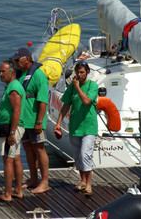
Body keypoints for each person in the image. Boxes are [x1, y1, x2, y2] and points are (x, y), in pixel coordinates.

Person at [53, 61, 98, 195]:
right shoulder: (72, 88)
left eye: (81, 72)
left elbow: (86, 101)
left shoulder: (92, 86)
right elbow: (65, 105)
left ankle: (89, 184)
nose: (79, 75)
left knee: (85, 155)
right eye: (77, 72)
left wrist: (77, 87)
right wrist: (58, 123)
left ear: (87, 72)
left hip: (89, 127)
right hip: (75, 126)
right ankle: (82, 181)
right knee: (78, 156)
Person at [11, 47, 50, 194]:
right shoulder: (20, 74)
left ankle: (44, 182)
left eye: (18, 59)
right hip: (22, 120)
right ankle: (33, 178)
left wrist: (39, 121)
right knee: (28, 148)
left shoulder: (39, 75)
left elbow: (43, 101)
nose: (16, 62)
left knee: (39, 149)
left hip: (35, 120)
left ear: (27, 59)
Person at [0, 60, 26, 202]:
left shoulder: (13, 88)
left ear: (12, 72)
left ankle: (7, 194)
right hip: (12, 127)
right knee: (15, 158)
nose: (0, 74)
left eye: (3, 72)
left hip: (11, 129)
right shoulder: (11, 86)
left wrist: (12, 133)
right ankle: (17, 190)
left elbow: (17, 111)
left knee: (8, 160)